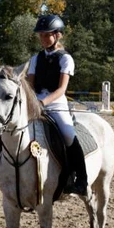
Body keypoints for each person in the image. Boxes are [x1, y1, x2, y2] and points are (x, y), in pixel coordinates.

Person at [27, 15, 88, 196]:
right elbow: (29, 85)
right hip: (35, 102)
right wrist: (32, 102)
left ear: (58, 35)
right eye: (41, 36)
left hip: (55, 103)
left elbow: (62, 89)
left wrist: (42, 102)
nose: (44, 39)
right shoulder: (35, 59)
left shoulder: (65, 58)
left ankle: (81, 180)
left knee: (68, 135)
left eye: (47, 35)